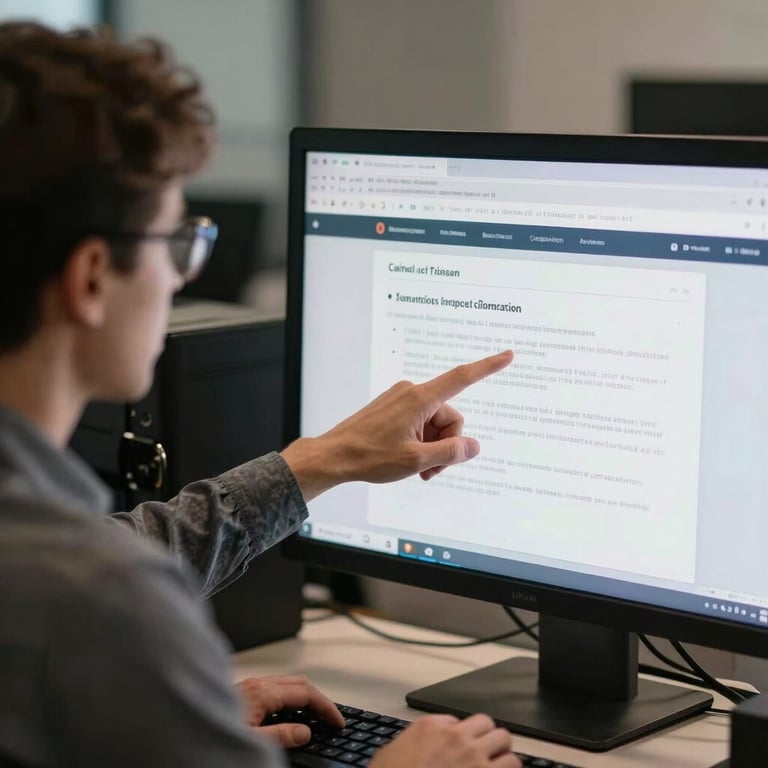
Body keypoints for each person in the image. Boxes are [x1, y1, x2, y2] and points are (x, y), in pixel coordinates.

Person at [0, 21, 520, 768]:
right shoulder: (96, 603)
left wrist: (165, 717)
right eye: (177, 243)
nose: (183, 277)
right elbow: (94, 590)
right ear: (90, 277)